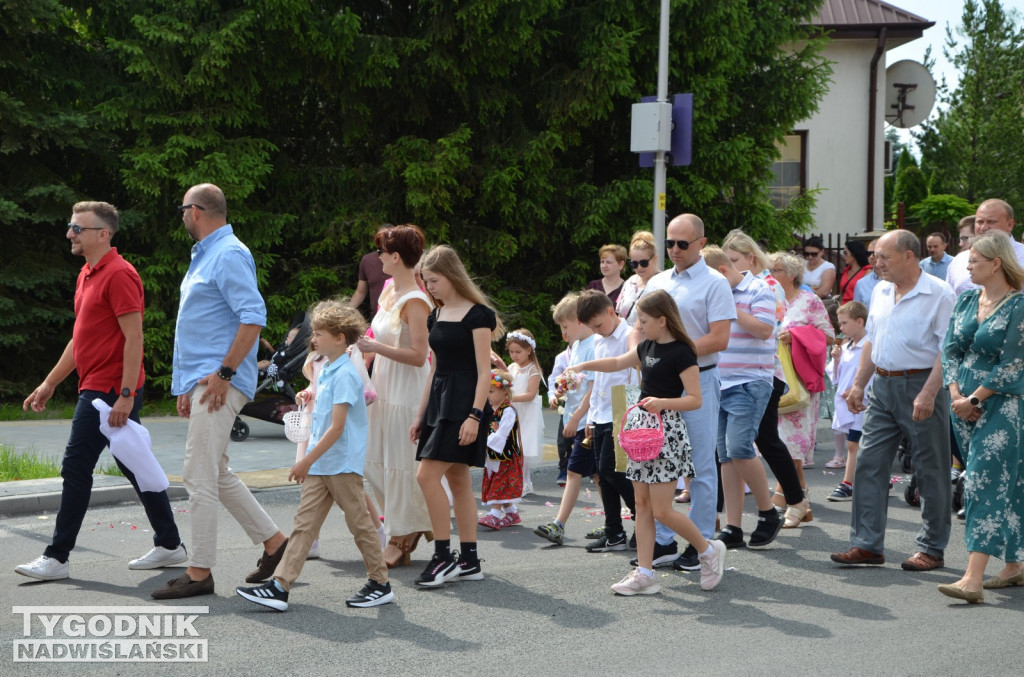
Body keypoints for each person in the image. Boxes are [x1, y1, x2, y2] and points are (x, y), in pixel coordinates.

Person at [16, 201, 186, 583]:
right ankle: (170, 543)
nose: (70, 234)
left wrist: (126, 394)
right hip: (96, 385)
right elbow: (80, 340)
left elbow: (134, 338)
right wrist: (49, 382)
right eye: (71, 226)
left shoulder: (120, 274)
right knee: (134, 464)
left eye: (77, 228)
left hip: (108, 389)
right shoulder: (87, 274)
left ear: (103, 234)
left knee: (75, 468)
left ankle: (57, 556)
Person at [152, 184, 288, 600]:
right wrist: (186, 385)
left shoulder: (228, 253)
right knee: (216, 471)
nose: (181, 217)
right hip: (205, 381)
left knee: (197, 473)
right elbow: (204, 326)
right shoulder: (209, 254)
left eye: (182, 210)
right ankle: (275, 542)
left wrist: (224, 373)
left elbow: (253, 317)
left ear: (195, 211)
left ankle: (199, 572)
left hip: (219, 382)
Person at [235, 301, 393, 610]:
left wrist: (305, 458)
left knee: (359, 524)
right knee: (304, 526)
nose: (314, 339)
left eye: (319, 334)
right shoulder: (329, 369)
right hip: (323, 463)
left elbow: (337, 428)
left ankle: (380, 583)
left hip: (341, 463)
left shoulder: (346, 374)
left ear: (340, 338)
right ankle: (280, 586)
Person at [573, 290, 726, 595]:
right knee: (641, 505)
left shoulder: (684, 352)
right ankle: (645, 573)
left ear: (662, 319)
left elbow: (695, 400)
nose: (639, 327)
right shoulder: (646, 347)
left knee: (662, 510)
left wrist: (662, 402)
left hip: (666, 431)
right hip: (642, 430)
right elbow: (617, 361)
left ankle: (708, 550)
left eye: (643, 321)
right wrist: (582, 367)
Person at [831, 229, 955, 571]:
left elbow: (948, 351)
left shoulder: (940, 293)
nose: (876, 262)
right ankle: (867, 544)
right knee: (869, 463)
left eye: (884, 256)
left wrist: (929, 392)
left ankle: (932, 547)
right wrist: (859, 384)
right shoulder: (882, 290)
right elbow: (873, 338)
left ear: (909, 256)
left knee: (931, 468)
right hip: (883, 385)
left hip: (920, 384)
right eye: (875, 256)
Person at [639, 213, 736, 571]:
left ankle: (700, 543)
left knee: (698, 465)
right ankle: (663, 543)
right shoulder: (659, 281)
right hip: (660, 383)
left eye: (683, 243)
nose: (675, 250)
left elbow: (719, 337)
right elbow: (641, 328)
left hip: (698, 378)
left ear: (700, 243)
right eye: (670, 242)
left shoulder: (714, 282)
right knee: (659, 463)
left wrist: (674, 355)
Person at [938, 233, 1024, 603]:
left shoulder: (1019, 305)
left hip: (1002, 405)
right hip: (962, 407)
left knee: (981, 481)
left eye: (974, 260)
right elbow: (950, 348)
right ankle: (1015, 565)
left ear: (996, 263)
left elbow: (1014, 363)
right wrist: (957, 395)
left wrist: (975, 397)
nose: (967, 265)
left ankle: (973, 579)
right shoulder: (968, 299)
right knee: (1010, 482)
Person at [410, 244, 500, 587]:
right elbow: (435, 369)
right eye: (426, 282)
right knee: (459, 482)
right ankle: (471, 560)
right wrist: (420, 416)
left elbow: (483, 372)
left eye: (433, 281)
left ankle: (443, 556)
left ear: (450, 276)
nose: (430, 288)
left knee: (426, 477)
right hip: (438, 404)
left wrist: (475, 416)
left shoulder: (478, 315)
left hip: (464, 405)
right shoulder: (436, 315)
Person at [355, 224, 434, 569]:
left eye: (382, 252)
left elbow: (420, 355)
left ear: (397, 257)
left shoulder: (416, 300)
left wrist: (376, 347)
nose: (378, 257)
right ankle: (405, 527)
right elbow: (374, 337)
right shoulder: (388, 291)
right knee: (375, 460)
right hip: (384, 384)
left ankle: (402, 536)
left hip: (407, 386)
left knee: (402, 462)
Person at [722, 230, 809, 525]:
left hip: (762, 372)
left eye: (734, 259)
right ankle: (794, 499)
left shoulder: (766, 286)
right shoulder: (740, 285)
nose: (730, 266)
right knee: (760, 439)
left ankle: (792, 500)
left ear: (750, 257)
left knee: (760, 440)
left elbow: (765, 328)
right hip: (741, 372)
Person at [701, 246, 783, 549]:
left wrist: (730, 309)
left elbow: (764, 330)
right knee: (726, 455)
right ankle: (733, 526)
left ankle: (767, 512)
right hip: (720, 382)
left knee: (739, 447)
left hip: (750, 381)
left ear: (721, 272)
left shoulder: (758, 287)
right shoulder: (718, 290)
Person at [768, 251, 834, 525]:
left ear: (792, 274)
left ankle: (782, 499)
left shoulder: (809, 300)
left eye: (778, 269)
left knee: (789, 443)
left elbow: (829, 336)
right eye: (770, 269)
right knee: (778, 440)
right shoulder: (769, 299)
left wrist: (795, 335)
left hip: (798, 381)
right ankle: (799, 500)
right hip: (771, 379)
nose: (771, 275)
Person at [575, 289, 638, 553]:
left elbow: (634, 377)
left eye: (598, 324)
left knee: (614, 471)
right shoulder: (599, 340)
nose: (597, 331)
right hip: (602, 412)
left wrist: (630, 414)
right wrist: (591, 416)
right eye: (591, 327)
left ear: (611, 311)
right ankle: (614, 532)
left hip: (622, 407)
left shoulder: (629, 334)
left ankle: (644, 518)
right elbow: (599, 381)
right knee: (603, 474)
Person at [534, 292, 597, 545]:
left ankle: (559, 524)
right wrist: (563, 388)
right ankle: (615, 523)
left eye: (565, 326)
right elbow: (577, 382)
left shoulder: (592, 345)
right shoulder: (578, 346)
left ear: (579, 321)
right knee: (600, 475)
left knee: (573, 472)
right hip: (579, 417)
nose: (564, 332)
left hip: (587, 421)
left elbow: (594, 389)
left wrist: (575, 420)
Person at [825, 301, 871, 500]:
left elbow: (873, 374)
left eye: (844, 323)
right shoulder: (846, 346)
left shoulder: (869, 345)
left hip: (863, 403)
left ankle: (847, 484)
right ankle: (879, 478)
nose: (841, 328)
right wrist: (836, 360)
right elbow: (836, 378)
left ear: (859, 322)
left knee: (854, 444)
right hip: (846, 403)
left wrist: (857, 389)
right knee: (860, 443)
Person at [495, 328, 545, 495]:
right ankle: (520, 481)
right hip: (513, 411)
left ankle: (524, 482)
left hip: (527, 412)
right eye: (511, 351)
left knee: (523, 447)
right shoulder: (512, 367)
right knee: (513, 446)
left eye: (518, 351)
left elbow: (531, 394)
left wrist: (509, 398)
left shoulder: (533, 370)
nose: (514, 355)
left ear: (529, 350)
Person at [477, 370, 525, 529]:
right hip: (493, 454)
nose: (488, 395)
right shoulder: (489, 410)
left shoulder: (508, 411)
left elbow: (502, 433)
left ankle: (494, 515)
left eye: (491, 391)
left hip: (506, 456)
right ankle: (512, 513)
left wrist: (484, 441)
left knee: (499, 484)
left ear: (504, 391)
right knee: (497, 483)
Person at [616, 231, 660, 326]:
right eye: (634, 264)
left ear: (655, 259)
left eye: (644, 263)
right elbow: (620, 315)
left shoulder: (664, 282)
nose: (639, 268)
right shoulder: (630, 282)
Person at [350, 232, 393, 316]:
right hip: (376, 318)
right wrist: (347, 310)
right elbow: (360, 292)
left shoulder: (402, 260)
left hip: (397, 319)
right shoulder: (367, 260)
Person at [547, 335, 571, 487]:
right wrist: (552, 396)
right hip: (567, 404)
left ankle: (591, 469)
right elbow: (553, 379)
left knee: (587, 438)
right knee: (563, 440)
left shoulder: (593, 349)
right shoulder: (562, 357)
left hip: (586, 405)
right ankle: (564, 468)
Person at [946, 216, 978, 296]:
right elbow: (950, 294)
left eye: (965, 238)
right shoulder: (957, 261)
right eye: (960, 239)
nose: (960, 244)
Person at [854, 237, 883, 309]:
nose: (871, 257)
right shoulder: (861, 283)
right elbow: (858, 312)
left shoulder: (896, 280)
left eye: (875, 253)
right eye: (868, 253)